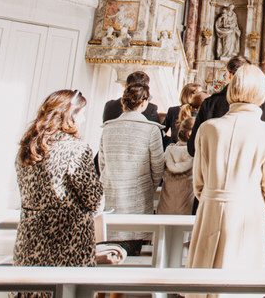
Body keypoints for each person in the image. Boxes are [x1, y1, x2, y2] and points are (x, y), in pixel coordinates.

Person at [186, 64, 265, 297]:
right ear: (261, 93)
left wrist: (214, 199)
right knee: (241, 287)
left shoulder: (208, 129)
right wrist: (252, 203)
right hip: (248, 212)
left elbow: (198, 182)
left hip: (209, 211)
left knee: (204, 286)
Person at [13, 90, 102, 298]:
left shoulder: (28, 147)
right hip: (66, 241)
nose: (84, 119)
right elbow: (93, 199)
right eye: (81, 114)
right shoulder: (76, 149)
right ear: (69, 116)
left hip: (30, 239)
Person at [99, 81, 164, 255]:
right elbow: (158, 167)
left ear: (123, 102)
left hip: (111, 195)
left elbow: (102, 164)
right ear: (144, 103)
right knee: (131, 251)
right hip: (138, 198)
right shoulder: (151, 130)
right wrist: (149, 187)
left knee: (107, 251)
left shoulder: (108, 128)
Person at [188, 55, 249, 156]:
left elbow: (193, 148)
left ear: (229, 74)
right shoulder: (258, 105)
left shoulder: (210, 103)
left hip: (213, 166)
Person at [157, 117, 195, 215]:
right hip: (187, 209)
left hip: (165, 208)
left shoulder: (169, 151)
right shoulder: (196, 156)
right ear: (190, 133)